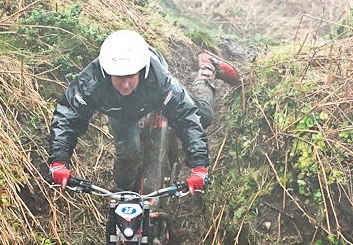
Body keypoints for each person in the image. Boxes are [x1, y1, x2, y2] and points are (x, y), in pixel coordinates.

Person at [48, 30, 240, 195]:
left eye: (130, 76)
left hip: (154, 97)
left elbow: (186, 116)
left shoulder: (158, 79)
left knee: (203, 116)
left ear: (142, 70)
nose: (125, 84)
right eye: (119, 78)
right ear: (107, 73)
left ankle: (207, 70)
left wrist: (199, 166)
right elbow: (68, 116)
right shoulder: (91, 81)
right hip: (121, 113)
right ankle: (123, 195)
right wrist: (59, 161)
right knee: (129, 153)